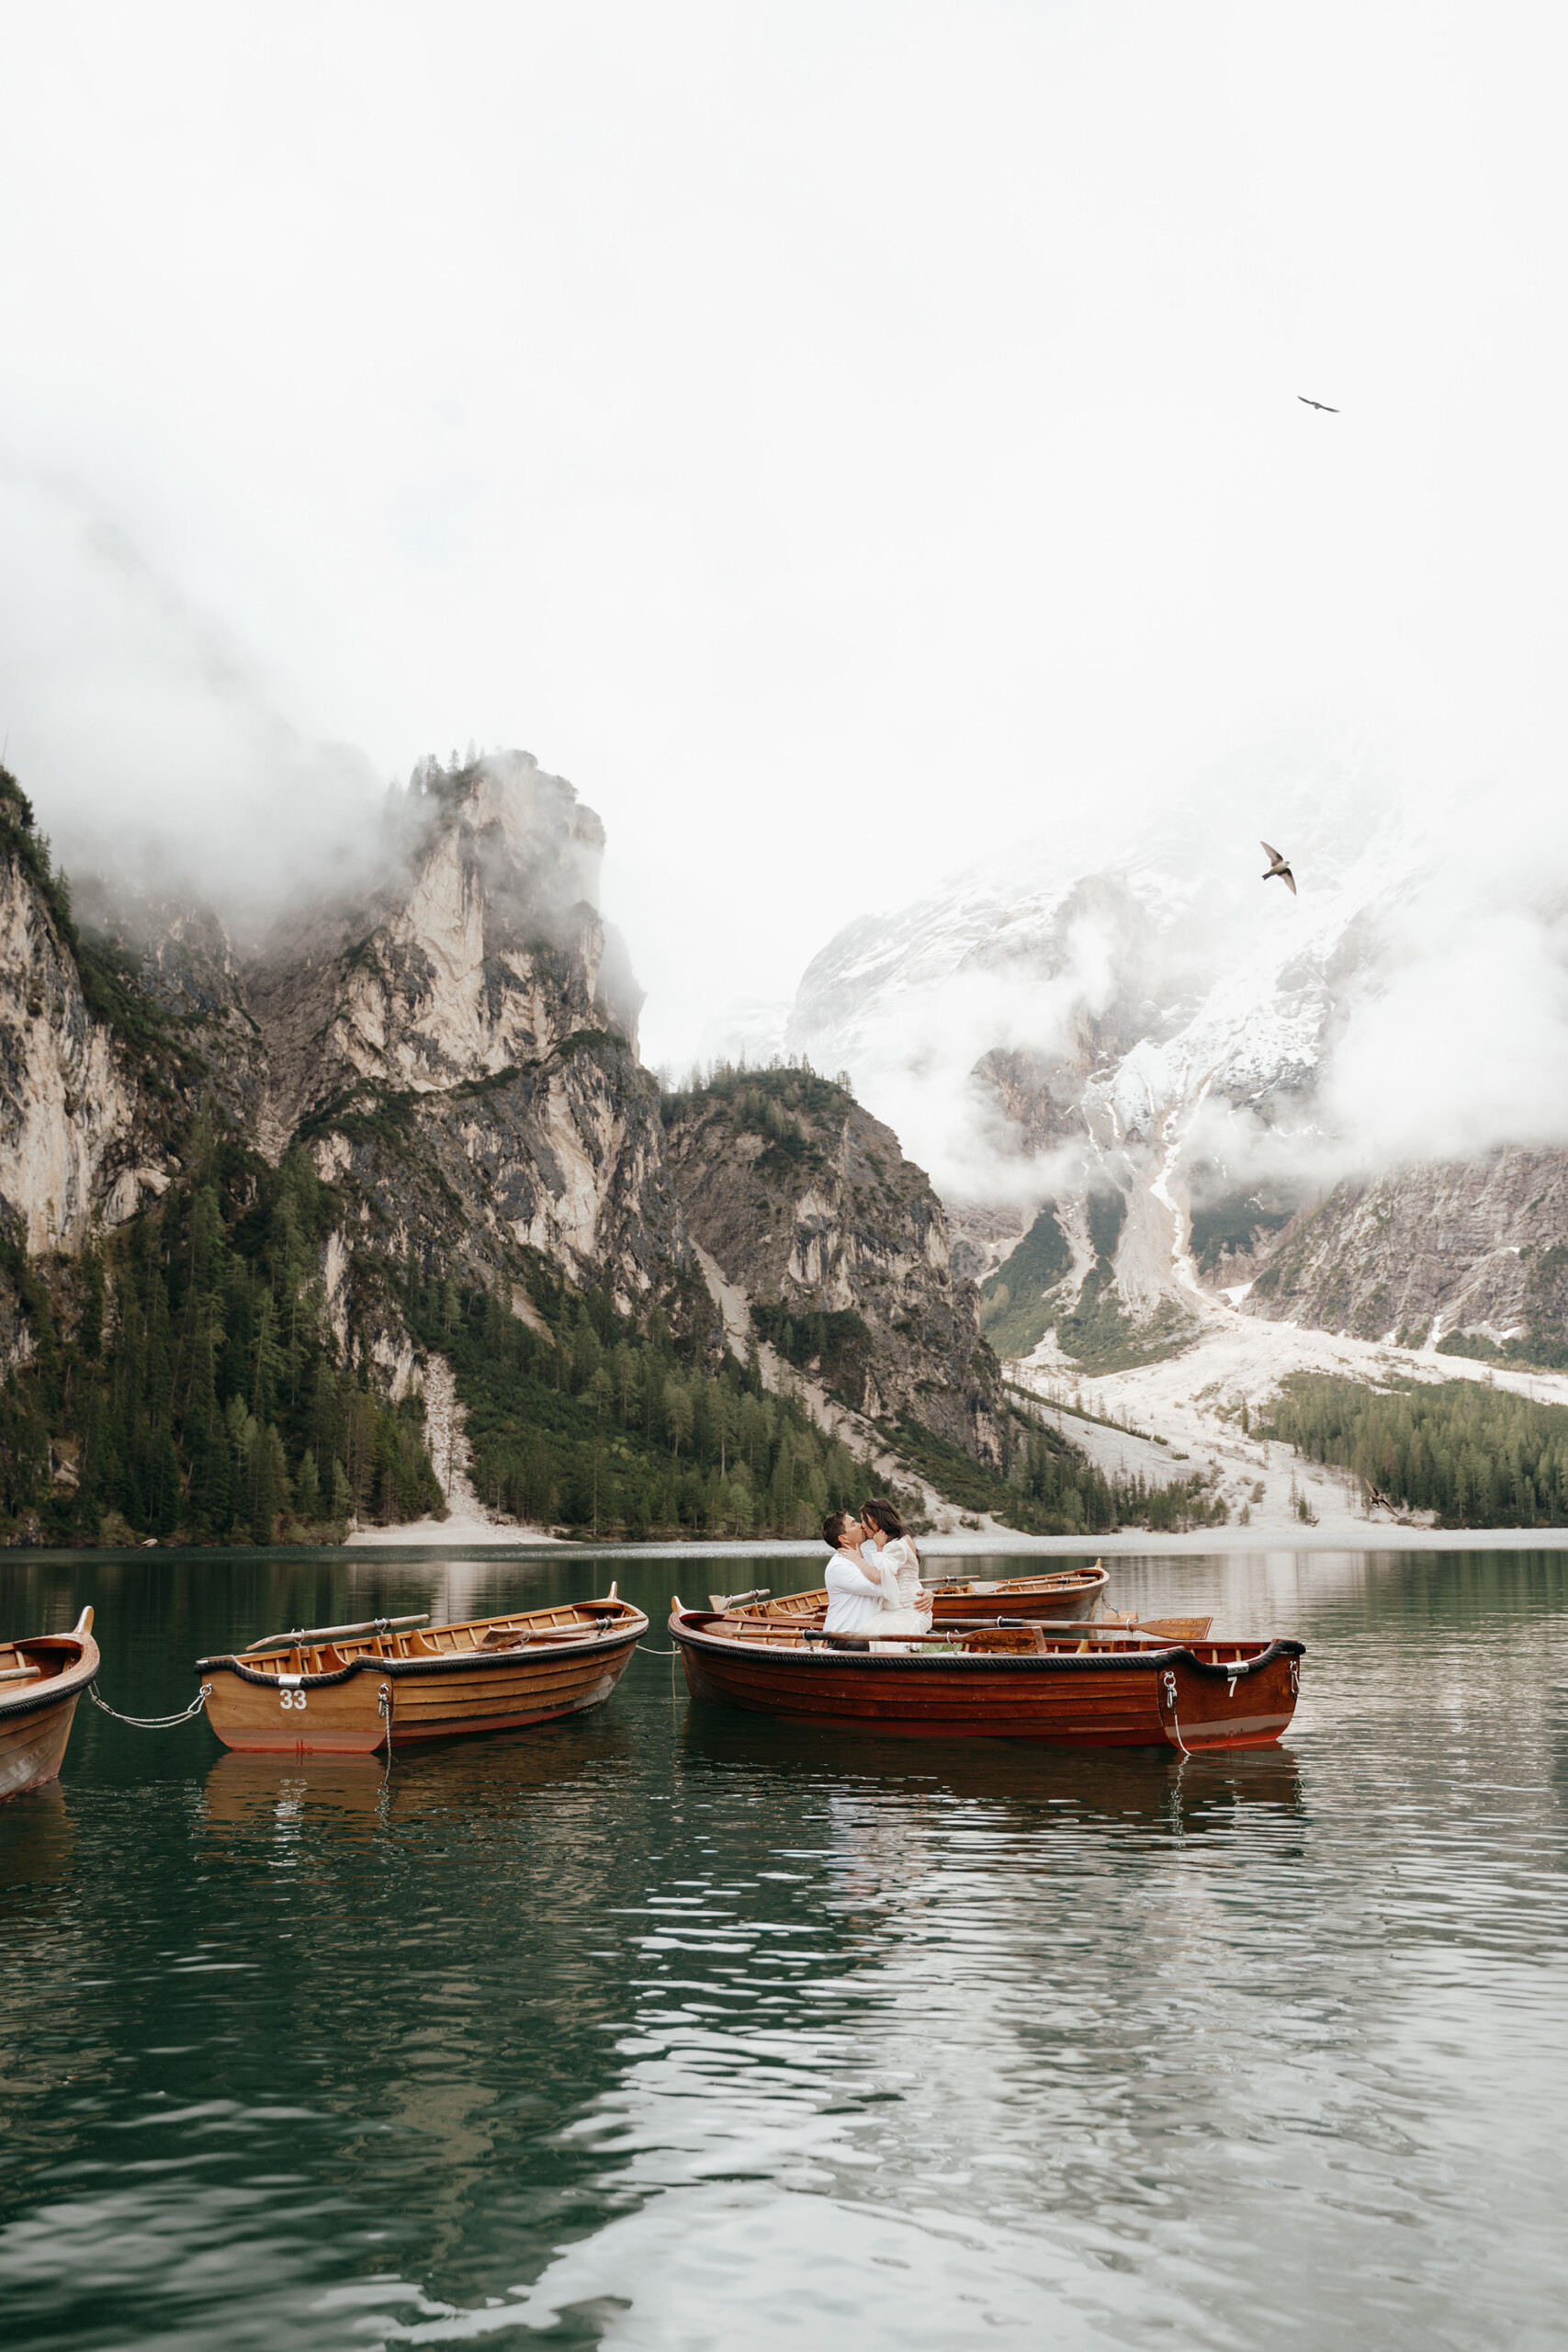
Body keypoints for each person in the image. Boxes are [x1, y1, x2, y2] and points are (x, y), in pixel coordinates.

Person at [858, 1498, 933, 1637]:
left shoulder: (896, 1544)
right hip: (893, 1608)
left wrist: (878, 1547)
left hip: (910, 1608)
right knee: (869, 1629)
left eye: (864, 1519)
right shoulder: (896, 1540)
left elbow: (880, 1576)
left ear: (875, 1518)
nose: (862, 1525)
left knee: (890, 1636)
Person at [821, 1510, 901, 1636]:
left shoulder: (868, 1556)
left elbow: (900, 1577)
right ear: (843, 1538)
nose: (861, 1525)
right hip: (845, 1637)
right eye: (853, 1524)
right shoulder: (839, 1566)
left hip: (870, 1635)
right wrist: (880, 1547)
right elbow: (882, 1588)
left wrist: (924, 1593)